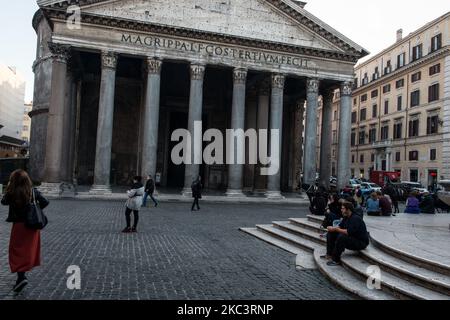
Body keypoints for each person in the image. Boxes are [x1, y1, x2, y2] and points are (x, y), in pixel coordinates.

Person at [1, 170, 49, 293]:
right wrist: (33, 208)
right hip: (32, 226)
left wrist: (10, 186)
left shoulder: (12, 192)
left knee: (17, 252)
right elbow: (45, 202)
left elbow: (3, 201)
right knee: (28, 251)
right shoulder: (33, 192)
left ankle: (21, 278)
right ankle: (21, 277)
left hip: (18, 226)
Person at [322, 201, 370, 266]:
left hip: (361, 242)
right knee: (331, 233)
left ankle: (336, 260)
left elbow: (348, 232)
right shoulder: (346, 217)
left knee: (342, 237)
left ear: (348, 209)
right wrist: (332, 228)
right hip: (353, 238)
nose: (341, 210)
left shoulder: (355, 218)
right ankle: (329, 254)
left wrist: (336, 229)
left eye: (343, 208)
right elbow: (340, 227)